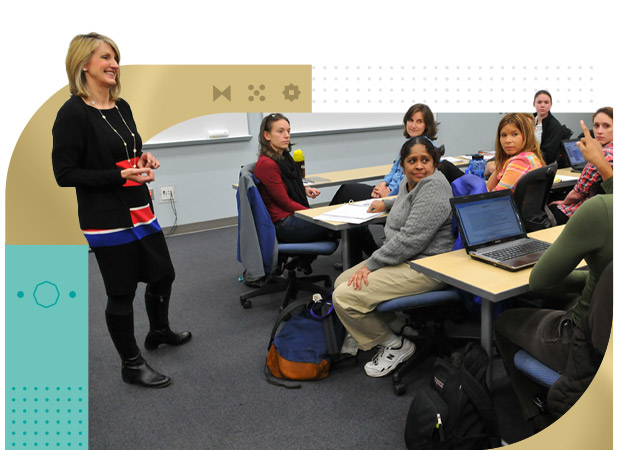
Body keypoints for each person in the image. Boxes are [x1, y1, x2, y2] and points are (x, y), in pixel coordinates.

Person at [52, 33, 191, 389]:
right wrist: (118, 174)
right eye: (105, 57)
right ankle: (131, 364)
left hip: (139, 206)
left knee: (163, 274)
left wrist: (143, 159)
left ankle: (158, 331)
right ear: (84, 64)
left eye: (115, 57)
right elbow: (65, 174)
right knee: (121, 291)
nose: (114, 63)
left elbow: (131, 147)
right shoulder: (72, 114)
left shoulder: (121, 106)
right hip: (106, 217)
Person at [332, 136, 455, 377]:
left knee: (344, 297)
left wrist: (371, 264)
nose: (419, 166)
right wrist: (386, 203)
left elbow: (411, 240)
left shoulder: (434, 186)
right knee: (340, 282)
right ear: (402, 164)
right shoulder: (409, 184)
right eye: (412, 160)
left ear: (435, 163)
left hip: (426, 265)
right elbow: (407, 201)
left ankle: (396, 345)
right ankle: (393, 326)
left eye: (425, 160)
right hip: (404, 259)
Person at [494, 184, 612, 431]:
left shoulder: (603, 210)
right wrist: (591, 280)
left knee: (504, 323)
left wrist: (587, 280)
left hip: (590, 343)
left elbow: (540, 282)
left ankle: (540, 420)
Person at [253, 113, 335, 245]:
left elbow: (284, 186)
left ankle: (368, 262)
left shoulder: (284, 157)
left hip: (291, 216)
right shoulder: (267, 164)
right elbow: (285, 202)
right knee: (347, 225)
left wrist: (303, 189)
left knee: (348, 219)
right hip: (284, 223)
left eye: (288, 131)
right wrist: (313, 213)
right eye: (280, 131)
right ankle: (371, 263)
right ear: (267, 135)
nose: (286, 135)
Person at [548, 107, 613, 224]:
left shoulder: (601, 156)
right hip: (606, 214)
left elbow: (577, 195)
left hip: (584, 215)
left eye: (606, 126)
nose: (599, 131)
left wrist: (563, 202)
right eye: (596, 125)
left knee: (549, 207)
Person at [486, 113, 545, 191]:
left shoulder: (521, 161)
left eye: (514, 134)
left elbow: (495, 198)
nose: (507, 140)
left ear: (526, 136)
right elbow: (489, 188)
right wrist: (501, 163)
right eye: (503, 135)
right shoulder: (530, 156)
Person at [533, 90, 569, 167]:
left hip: (542, 165)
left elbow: (548, 155)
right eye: (539, 102)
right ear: (534, 104)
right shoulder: (529, 120)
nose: (542, 105)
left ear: (550, 104)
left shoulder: (554, 126)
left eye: (546, 102)